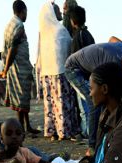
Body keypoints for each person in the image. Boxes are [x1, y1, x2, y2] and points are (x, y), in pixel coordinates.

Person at [36, 62, 122, 163]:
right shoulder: (105, 113)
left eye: (92, 88)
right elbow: (98, 153)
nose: (90, 94)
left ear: (104, 89)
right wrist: (86, 162)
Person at [65, 43, 122, 148]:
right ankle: (92, 145)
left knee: (107, 100)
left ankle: (106, 135)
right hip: (74, 69)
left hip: (91, 68)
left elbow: (112, 39)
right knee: (94, 103)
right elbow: (101, 88)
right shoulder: (111, 63)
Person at [36, 1, 79, 141]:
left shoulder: (43, 32)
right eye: (57, 11)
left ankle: (52, 131)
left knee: (50, 104)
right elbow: (68, 52)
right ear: (52, 14)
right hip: (60, 73)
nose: (61, 12)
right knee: (62, 103)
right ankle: (64, 131)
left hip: (46, 74)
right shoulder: (60, 30)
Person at [0, 0, 40, 136]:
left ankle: (27, 126)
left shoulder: (10, 24)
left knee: (24, 98)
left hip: (18, 66)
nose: (26, 15)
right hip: (18, 67)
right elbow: (12, 49)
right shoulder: (18, 25)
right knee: (20, 99)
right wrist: (5, 69)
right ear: (23, 11)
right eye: (26, 12)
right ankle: (21, 129)